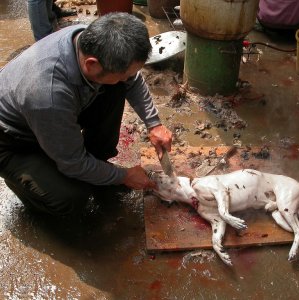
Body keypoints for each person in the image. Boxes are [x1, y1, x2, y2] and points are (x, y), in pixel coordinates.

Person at [0, 13, 173, 217]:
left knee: (115, 88)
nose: (128, 78)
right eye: (123, 75)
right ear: (91, 64)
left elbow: (132, 80)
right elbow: (73, 164)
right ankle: (28, 185)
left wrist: (154, 124)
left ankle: (96, 164)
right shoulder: (48, 95)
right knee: (72, 197)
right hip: (14, 142)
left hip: (50, 120)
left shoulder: (92, 40)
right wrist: (123, 176)